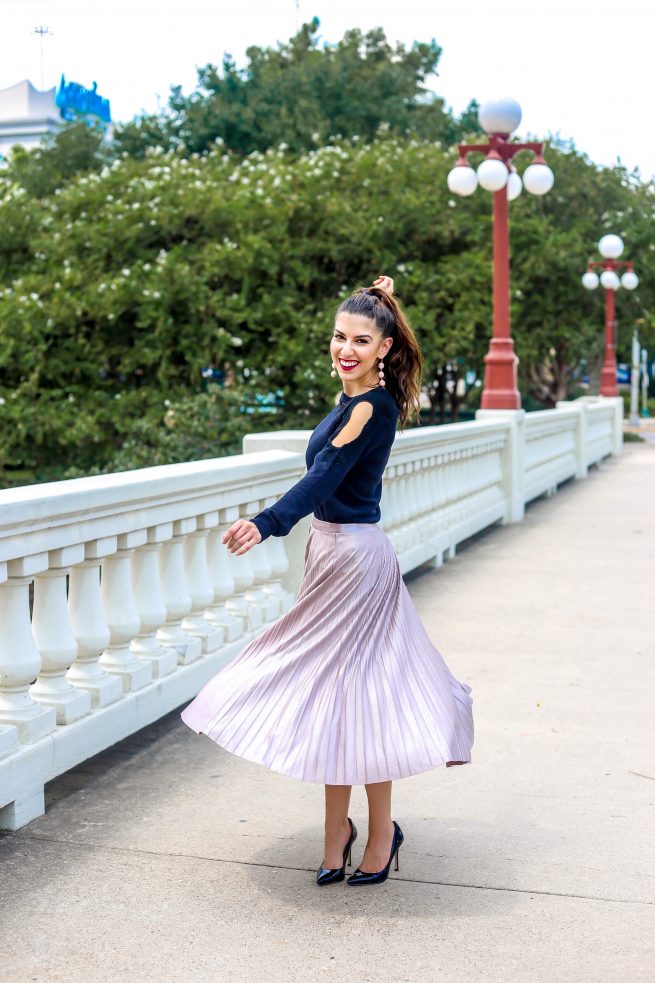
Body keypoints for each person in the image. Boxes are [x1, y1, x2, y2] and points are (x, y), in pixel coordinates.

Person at [180, 276, 474, 886]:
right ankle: (336, 831)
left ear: (384, 349)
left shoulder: (371, 407)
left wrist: (267, 523)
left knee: (364, 695)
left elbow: (326, 477)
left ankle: (381, 831)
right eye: (340, 336)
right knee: (334, 694)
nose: (346, 348)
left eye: (361, 340)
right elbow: (326, 475)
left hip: (356, 563)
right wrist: (376, 292)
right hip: (331, 554)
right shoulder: (351, 402)